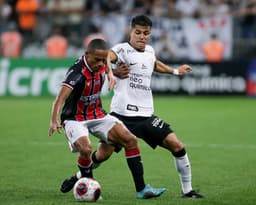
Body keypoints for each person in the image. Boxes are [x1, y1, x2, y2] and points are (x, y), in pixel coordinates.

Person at [61, 15, 204, 198]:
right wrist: (112, 73)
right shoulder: (121, 49)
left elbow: (153, 64)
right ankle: (80, 176)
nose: (142, 36)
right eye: (138, 32)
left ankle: (188, 191)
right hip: (120, 116)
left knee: (177, 145)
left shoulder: (150, 51)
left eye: (146, 33)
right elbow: (105, 58)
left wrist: (176, 71)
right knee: (102, 155)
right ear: (131, 31)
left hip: (146, 116)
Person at [48, 38, 166, 199]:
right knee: (86, 149)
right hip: (75, 118)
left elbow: (104, 67)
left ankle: (142, 189)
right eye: (97, 60)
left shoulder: (101, 62)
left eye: (104, 60)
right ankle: (89, 185)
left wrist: (114, 73)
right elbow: (60, 99)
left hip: (97, 114)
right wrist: (54, 121)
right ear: (87, 54)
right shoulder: (77, 73)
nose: (101, 63)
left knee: (130, 140)